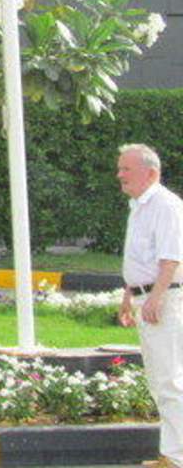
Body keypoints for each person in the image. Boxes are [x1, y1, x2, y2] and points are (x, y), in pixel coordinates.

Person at [118, 143, 183, 468]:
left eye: (126, 169)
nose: (120, 175)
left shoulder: (165, 205)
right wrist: (129, 294)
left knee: (169, 381)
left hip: (165, 299)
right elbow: (140, 257)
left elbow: (171, 256)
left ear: (151, 173)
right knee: (160, 380)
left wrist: (155, 297)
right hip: (148, 296)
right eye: (120, 168)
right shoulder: (140, 205)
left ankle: (177, 458)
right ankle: (170, 454)